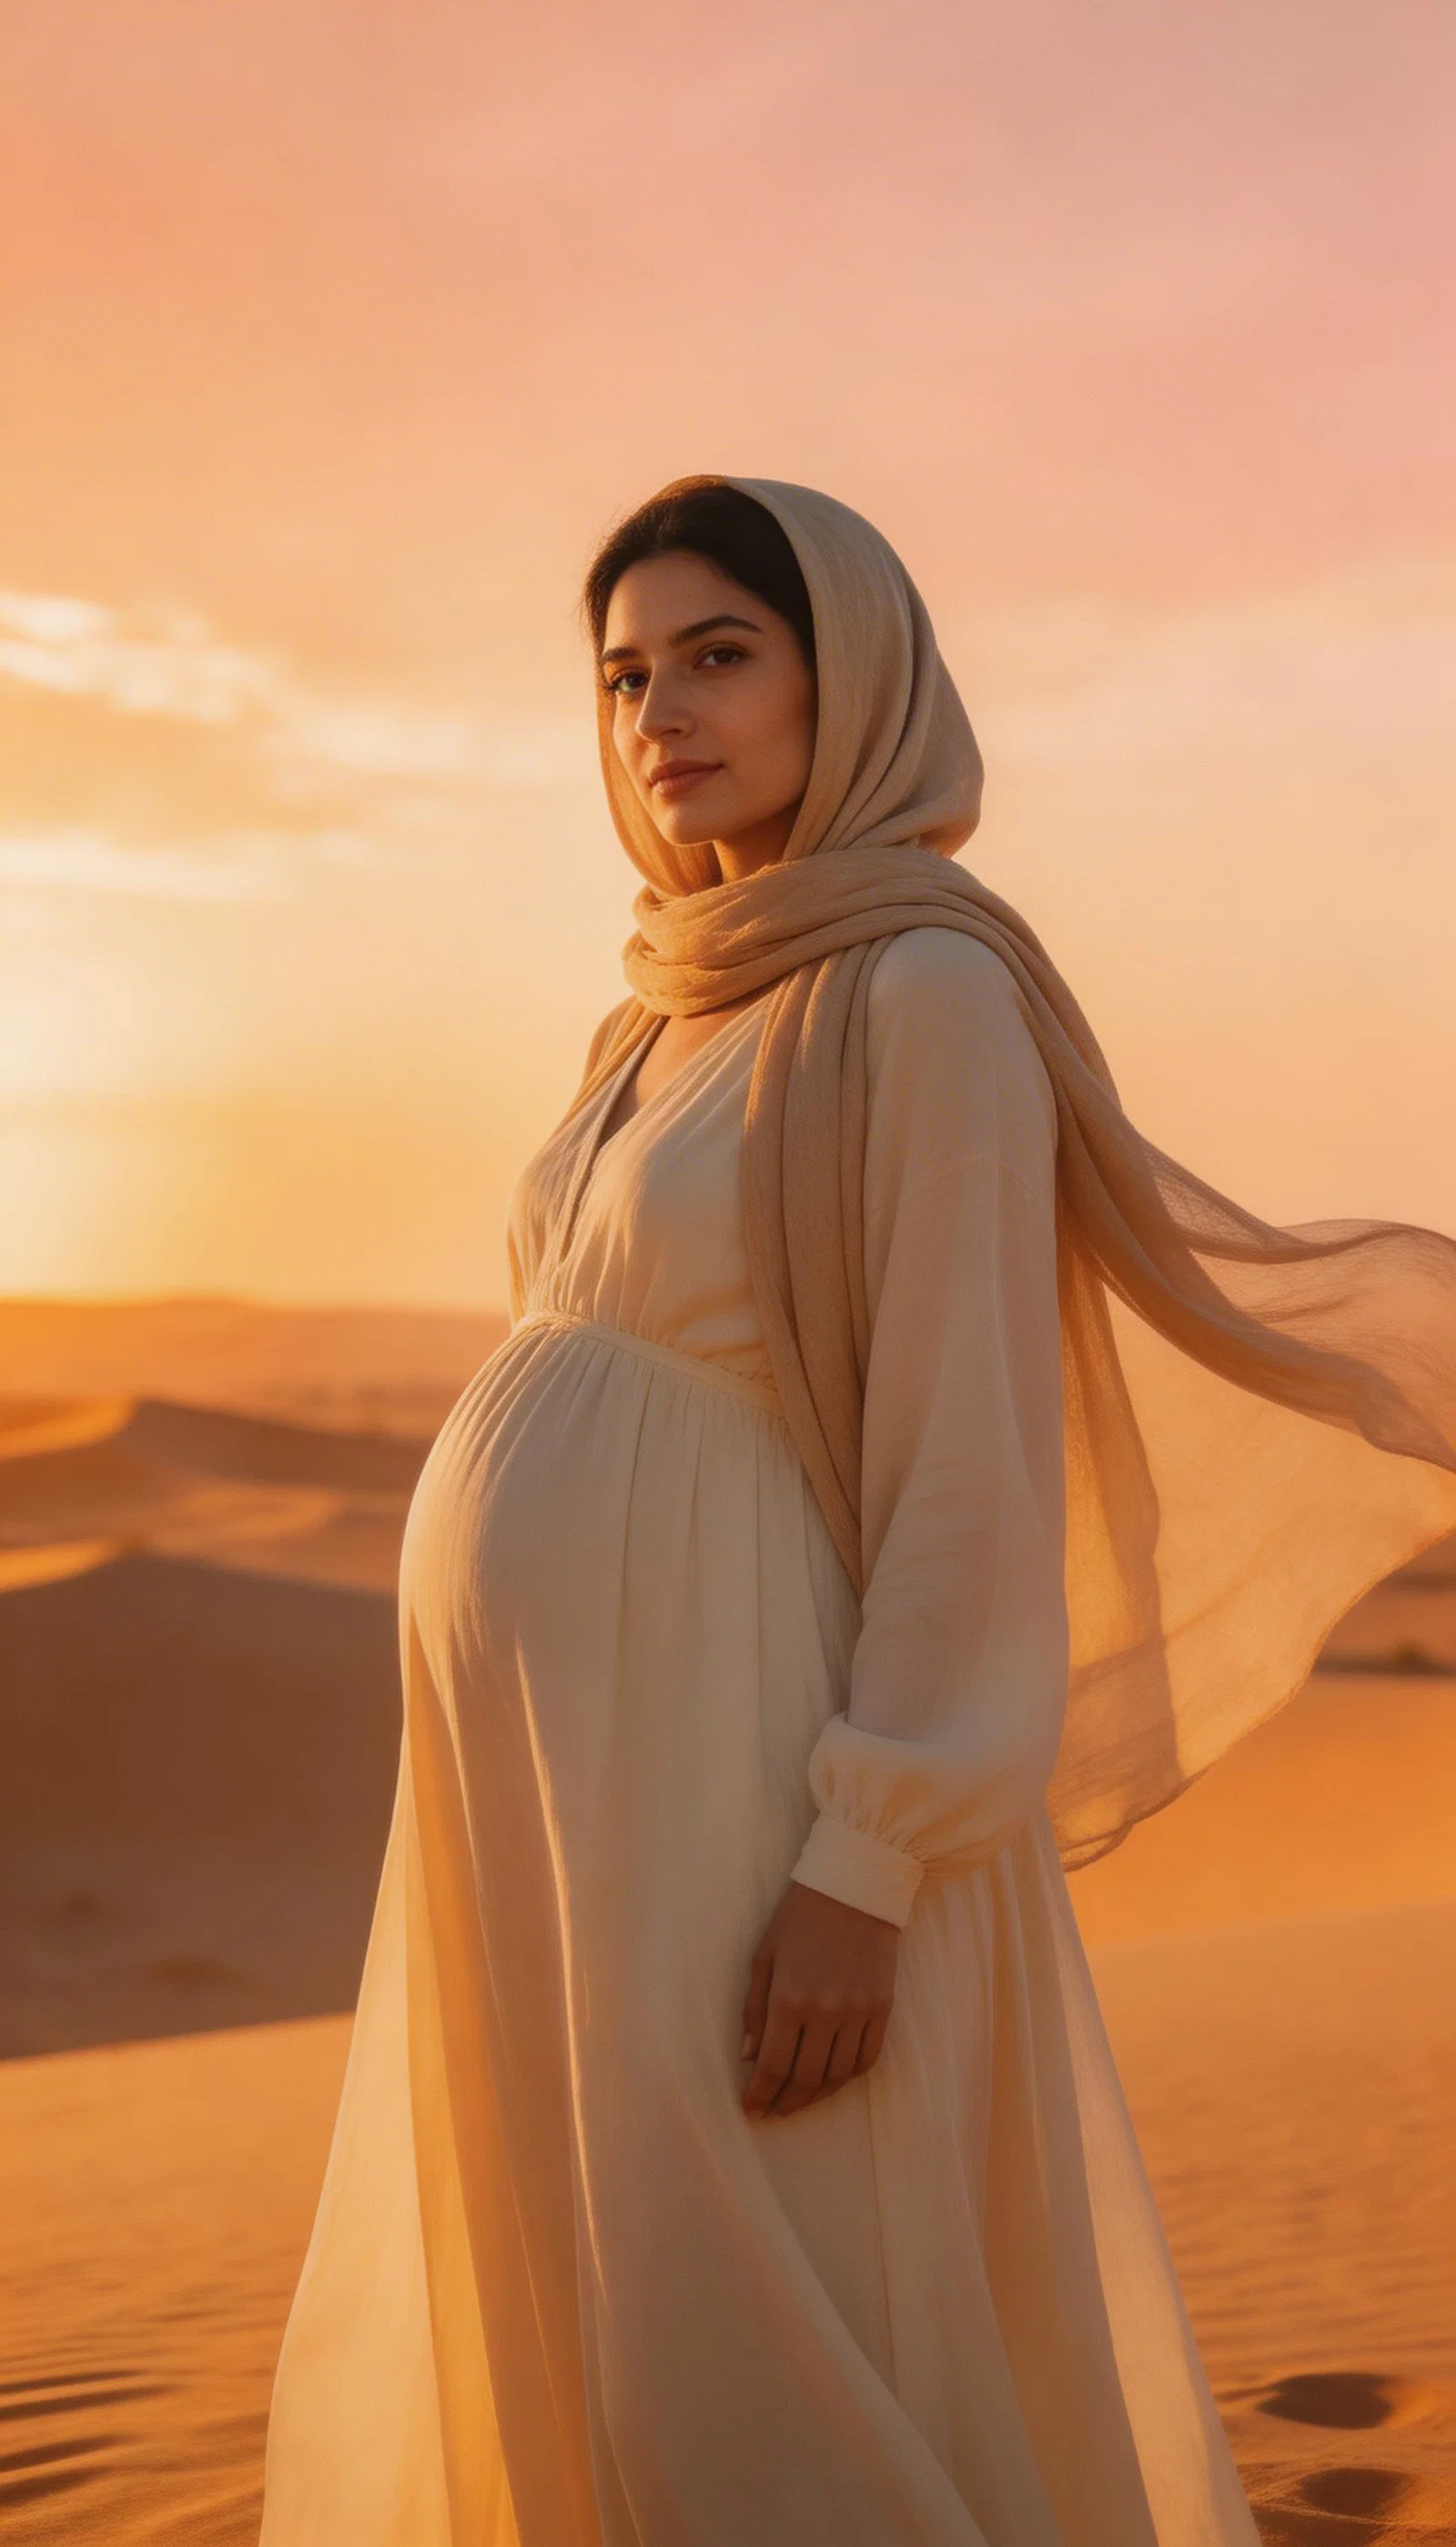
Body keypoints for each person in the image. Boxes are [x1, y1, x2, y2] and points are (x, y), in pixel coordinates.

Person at [258, 477, 1456, 2547]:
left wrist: (867, 1851)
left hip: (738, 1755)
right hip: (550, 1783)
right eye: (623, 674)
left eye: (719, 653)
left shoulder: (923, 993)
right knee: (595, 2271)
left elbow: (965, 1462)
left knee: (741, 2298)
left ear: (856, 672)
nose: (657, 713)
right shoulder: (656, 1006)